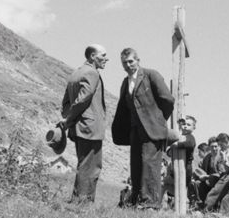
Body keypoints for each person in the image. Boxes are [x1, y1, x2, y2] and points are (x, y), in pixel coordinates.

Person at [111, 47, 175, 209]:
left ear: (138, 60)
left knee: (150, 165)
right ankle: (136, 199)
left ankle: (150, 203)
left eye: (131, 61)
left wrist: (158, 120)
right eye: (124, 63)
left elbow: (167, 99)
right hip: (135, 130)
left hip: (152, 130)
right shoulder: (125, 82)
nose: (128, 65)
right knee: (136, 165)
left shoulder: (151, 75)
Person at [60, 44, 108, 203]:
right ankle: (82, 203)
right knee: (91, 166)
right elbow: (83, 99)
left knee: (84, 164)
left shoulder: (76, 73)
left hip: (79, 127)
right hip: (90, 127)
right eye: (103, 55)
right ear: (93, 56)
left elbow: (66, 102)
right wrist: (69, 119)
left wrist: (68, 119)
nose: (106, 59)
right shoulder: (92, 73)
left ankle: (77, 200)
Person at [193, 136, 227, 205]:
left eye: (216, 146)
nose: (214, 149)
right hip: (208, 181)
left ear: (219, 146)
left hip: (219, 181)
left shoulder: (221, 157)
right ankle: (201, 204)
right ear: (209, 147)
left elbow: (222, 173)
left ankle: (212, 205)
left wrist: (208, 176)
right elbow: (203, 170)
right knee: (196, 183)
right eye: (212, 147)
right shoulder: (207, 157)